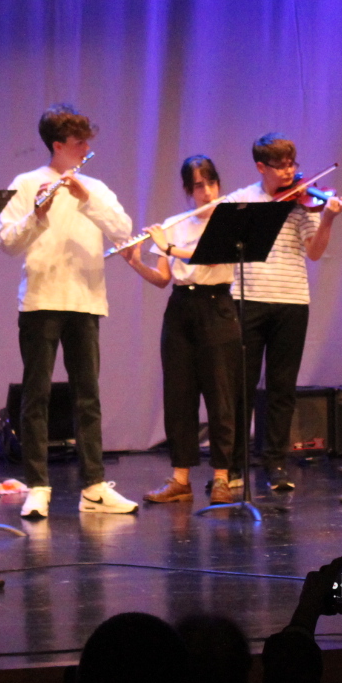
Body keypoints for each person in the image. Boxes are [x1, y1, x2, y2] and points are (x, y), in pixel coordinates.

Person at [0, 103, 138, 517]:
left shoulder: (95, 187)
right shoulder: (25, 183)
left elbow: (124, 230)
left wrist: (85, 198)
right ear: (58, 145)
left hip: (86, 301)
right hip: (40, 301)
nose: (86, 148)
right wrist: (37, 212)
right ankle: (38, 485)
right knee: (35, 395)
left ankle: (94, 486)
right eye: (78, 142)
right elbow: (7, 242)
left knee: (87, 396)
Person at [219, 133, 342, 492]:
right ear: (261, 167)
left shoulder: (303, 203)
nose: (290, 172)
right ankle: (236, 463)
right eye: (281, 166)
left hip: (292, 300)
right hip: (247, 299)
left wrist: (328, 219)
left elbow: (314, 253)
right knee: (241, 386)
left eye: (292, 164)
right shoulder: (241, 199)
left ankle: (275, 463)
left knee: (282, 387)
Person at [121, 156, 238, 506]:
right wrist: (135, 261)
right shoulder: (175, 223)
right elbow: (162, 278)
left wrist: (168, 247)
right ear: (188, 190)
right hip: (180, 308)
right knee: (179, 395)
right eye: (199, 186)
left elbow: (211, 256)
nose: (207, 192)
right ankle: (180, 479)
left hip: (216, 306)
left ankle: (222, 478)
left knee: (220, 394)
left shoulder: (227, 218)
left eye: (211, 183)